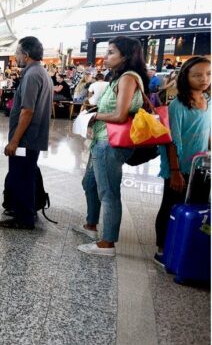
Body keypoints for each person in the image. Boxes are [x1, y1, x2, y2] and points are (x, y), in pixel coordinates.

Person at [74, 36, 148, 256]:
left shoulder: (127, 78)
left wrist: (95, 116)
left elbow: (119, 115)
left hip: (110, 143)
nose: (105, 57)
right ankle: (91, 225)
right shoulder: (117, 78)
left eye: (111, 52)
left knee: (108, 191)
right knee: (89, 183)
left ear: (125, 56)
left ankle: (107, 243)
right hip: (101, 140)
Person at [154, 56, 210, 265]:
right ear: (186, 77)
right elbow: (172, 140)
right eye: (197, 75)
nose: (204, 79)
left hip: (201, 167)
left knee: (196, 207)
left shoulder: (209, 102)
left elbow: (208, 133)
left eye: (208, 74)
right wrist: (176, 171)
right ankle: (162, 249)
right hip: (178, 166)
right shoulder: (177, 106)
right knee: (170, 206)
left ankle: (184, 247)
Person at [0, 36, 53, 230]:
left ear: (26, 54)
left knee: (21, 176)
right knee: (25, 174)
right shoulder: (41, 72)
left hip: (26, 138)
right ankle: (24, 210)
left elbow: (27, 110)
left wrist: (14, 141)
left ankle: (24, 218)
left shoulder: (32, 75)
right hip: (32, 136)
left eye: (17, 53)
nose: (15, 57)